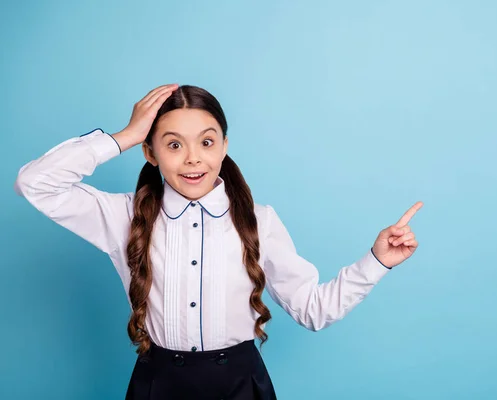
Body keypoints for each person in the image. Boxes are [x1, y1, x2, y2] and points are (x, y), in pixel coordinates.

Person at [14, 83, 423, 399]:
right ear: (150, 152)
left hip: (240, 386)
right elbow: (35, 183)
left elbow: (313, 310)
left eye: (206, 142)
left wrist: (377, 261)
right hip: (158, 385)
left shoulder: (259, 221)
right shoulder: (123, 217)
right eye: (173, 144)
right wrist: (122, 135)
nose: (193, 158)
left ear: (224, 147)